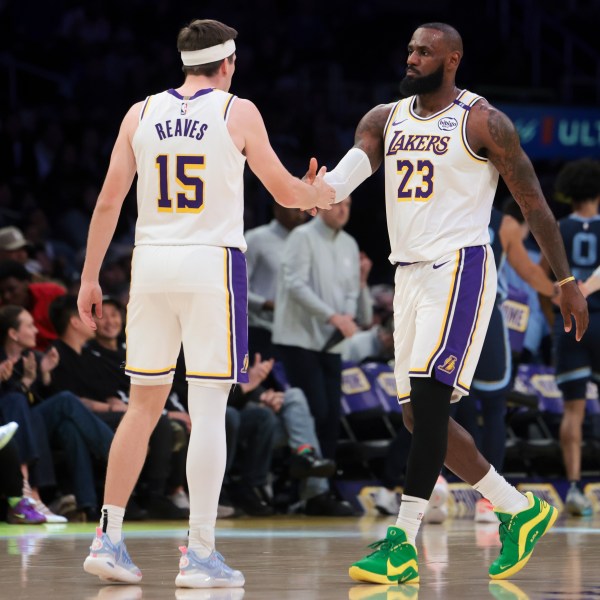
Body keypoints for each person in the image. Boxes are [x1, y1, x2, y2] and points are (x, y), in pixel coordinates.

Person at [314, 22, 587, 584]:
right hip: (409, 275)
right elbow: (348, 174)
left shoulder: (483, 122)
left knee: (431, 404)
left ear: (453, 59)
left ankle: (401, 543)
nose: (412, 58)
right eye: (410, 50)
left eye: (425, 52)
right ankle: (518, 507)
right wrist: (313, 190)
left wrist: (565, 281)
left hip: (459, 267)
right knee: (417, 416)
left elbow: (534, 204)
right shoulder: (382, 119)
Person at [77, 18, 334, 589]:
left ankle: (108, 537)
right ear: (228, 63)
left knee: (143, 406)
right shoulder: (237, 110)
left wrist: (90, 276)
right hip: (211, 264)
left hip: (149, 265)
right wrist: (316, 193)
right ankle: (199, 554)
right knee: (210, 407)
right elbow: (285, 192)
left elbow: (107, 203)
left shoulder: (139, 113)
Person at [273, 196, 373, 461]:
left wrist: (348, 315)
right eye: (338, 203)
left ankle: (324, 485)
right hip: (299, 339)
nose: (343, 210)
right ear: (322, 207)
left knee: (331, 416)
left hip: (332, 341)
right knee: (313, 410)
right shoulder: (302, 237)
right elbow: (295, 284)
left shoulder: (349, 243)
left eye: (348, 205)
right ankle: (303, 484)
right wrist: (333, 317)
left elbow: (352, 290)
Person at [540, 158, 600, 516]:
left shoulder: (558, 227)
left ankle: (575, 488)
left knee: (572, 411)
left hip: (569, 322)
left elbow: (546, 283)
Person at [246, 202, 307, 359]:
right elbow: (235, 288)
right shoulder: (256, 239)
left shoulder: (307, 243)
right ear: (277, 207)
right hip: (260, 330)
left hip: (296, 333)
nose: (300, 212)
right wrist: (266, 304)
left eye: (303, 208)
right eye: (295, 207)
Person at [0, 260, 66, 350]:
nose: (6, 296)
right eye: (1, 292)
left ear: (26, 283)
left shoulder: (52, 293)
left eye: (11, 289)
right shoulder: (3, 313)